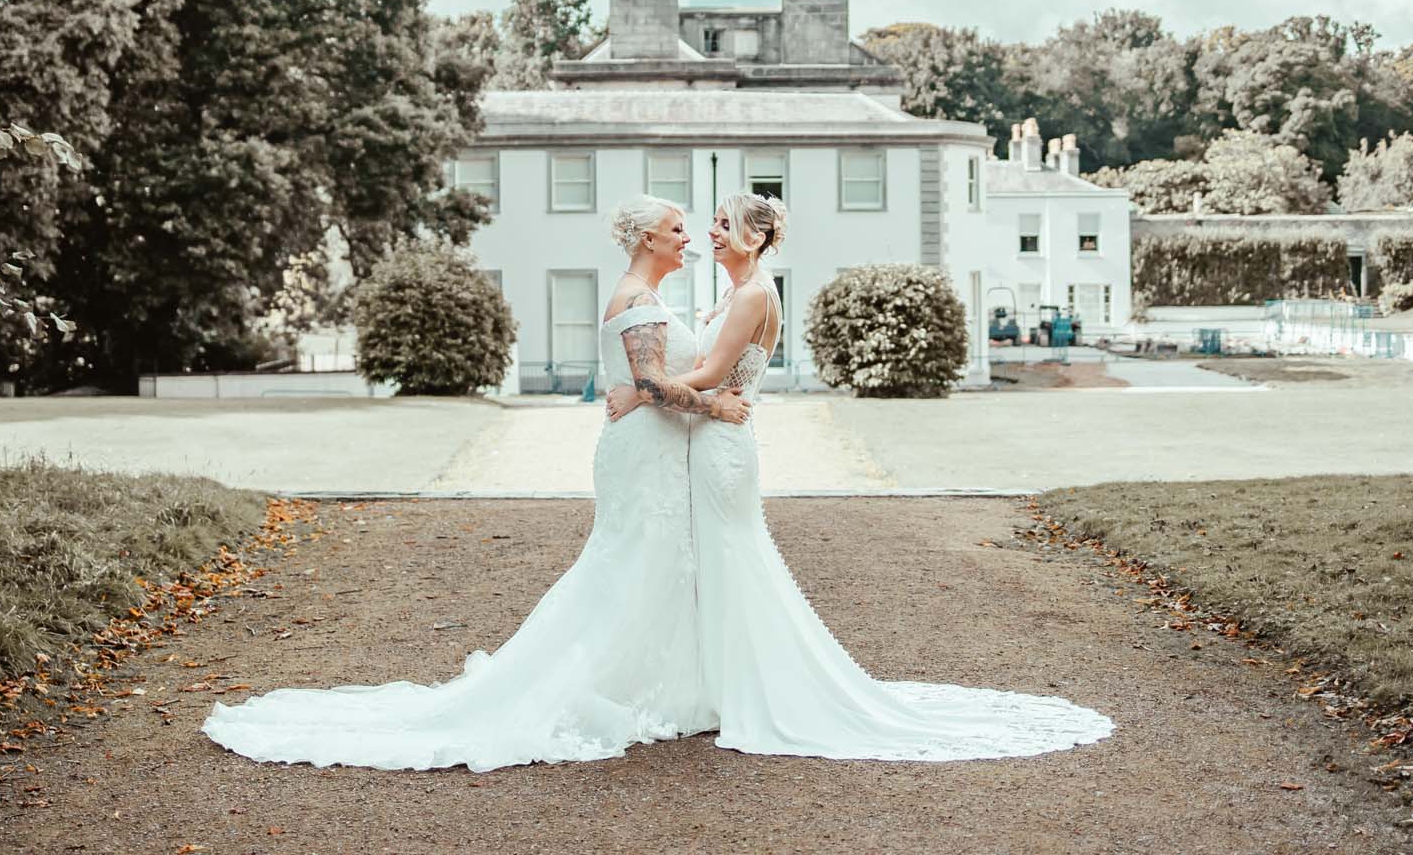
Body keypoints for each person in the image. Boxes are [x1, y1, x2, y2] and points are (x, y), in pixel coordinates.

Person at [200, 195, 746, 772]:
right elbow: (653, 385)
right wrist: (714, 405)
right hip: (643, 454)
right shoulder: (637, 299)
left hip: (650, 449)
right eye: (676, 230)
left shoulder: (649, 296)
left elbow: (644, 386)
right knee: (629, 564)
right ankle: (594, 689)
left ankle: (658, 685)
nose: (687, 238)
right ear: (648, 241)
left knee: (649, 566)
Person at [606, 192, 1114, 762]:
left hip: (723, 441)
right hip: (711, 438)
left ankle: (757, 691)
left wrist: (643, 392)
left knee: (733, 562)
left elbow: (711, 373)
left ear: (755, 237)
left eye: (726, 225)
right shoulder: (736, 291)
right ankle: (722, 685)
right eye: (713, 224)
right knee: (722, 563)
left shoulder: (750, 295)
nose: (712, 233)